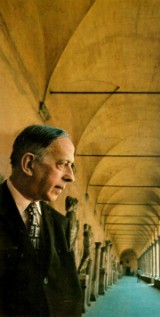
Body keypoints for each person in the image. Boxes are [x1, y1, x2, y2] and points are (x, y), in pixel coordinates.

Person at [0, 125, 83, 317]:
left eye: (72, 166)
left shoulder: (60, 224)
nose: (70, 176)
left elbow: (70, 292)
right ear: (29, 164)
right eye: (62, 164)